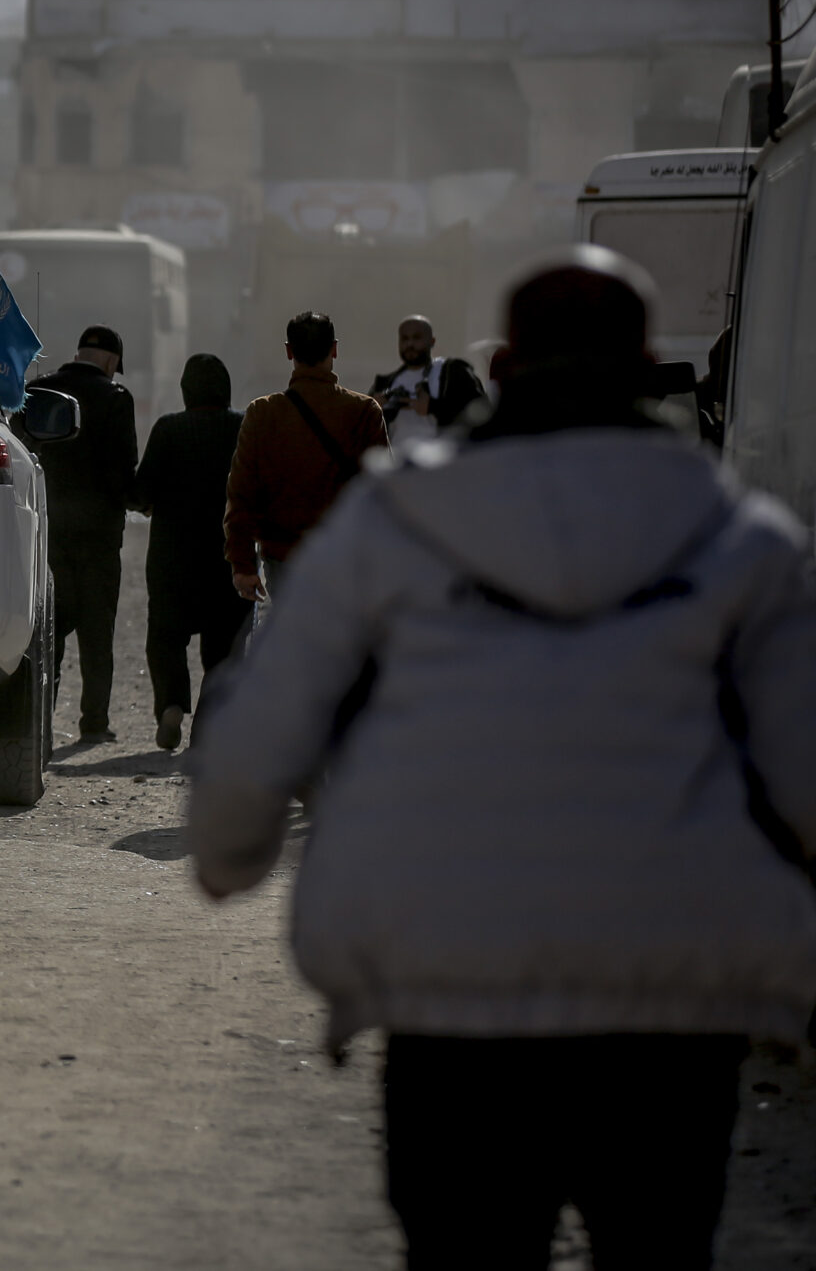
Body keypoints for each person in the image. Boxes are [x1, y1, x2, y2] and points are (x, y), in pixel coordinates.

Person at [188, 247, 816, 1270]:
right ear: (648, 363)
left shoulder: (391, 524)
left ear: (503, 360)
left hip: (450, 1004)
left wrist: (227, 857)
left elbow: (256, 740)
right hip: (675, 1009)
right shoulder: (742, 540)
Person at [222, 311, 388, 605]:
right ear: (334, 349)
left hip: (283, 558)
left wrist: (243, 566)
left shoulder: (263, 413)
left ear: (289, 351)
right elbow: (382, 496)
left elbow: (241, 494)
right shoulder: (365, 412)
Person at [130, 354, 248, 752]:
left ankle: (172, 705)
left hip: (172, 557)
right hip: (228, 555)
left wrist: (146, 502)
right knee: (223, 645)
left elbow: (141, 492)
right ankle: (210, 725)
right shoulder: (242, 427)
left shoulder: (168, 429)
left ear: (186, 391)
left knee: (165, 637)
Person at [26, 325, 138, 741]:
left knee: (48, 629)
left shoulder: (38, 391)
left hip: (48, 530)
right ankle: (94, 722)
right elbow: (123, 469)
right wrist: (135, 499)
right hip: (98, 534)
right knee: (96, 633)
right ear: (111, 361)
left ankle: (41, 719)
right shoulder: (115, 398)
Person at [368, 315, 486, 443]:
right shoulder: (385, 383)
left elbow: (480, 411)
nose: (410, 344)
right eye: (405, 338)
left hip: (443, 456)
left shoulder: (452, 372)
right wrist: (375, 410)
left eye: (417, 337)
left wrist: (433, 407)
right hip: (398, 458)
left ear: (432, 341)